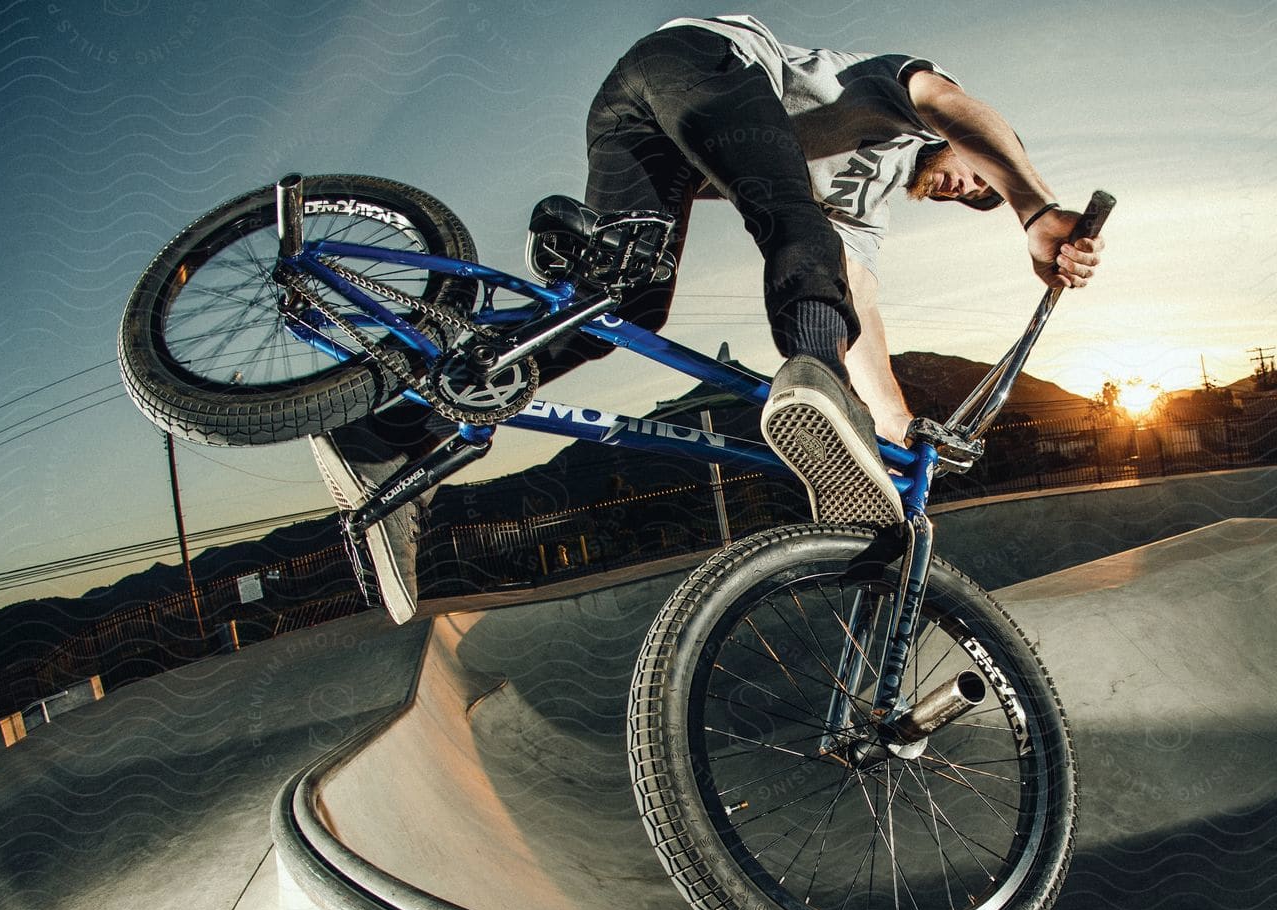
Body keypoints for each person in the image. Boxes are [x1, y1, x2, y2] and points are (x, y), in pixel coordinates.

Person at [312, 14, 1105, 623]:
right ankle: (811, 383)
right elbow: (958, 107)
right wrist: (1033, 208)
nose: (971, 190)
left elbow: (856, 298)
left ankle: (381, 434)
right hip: (700, 62)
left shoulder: (864, 210)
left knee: (619, 311)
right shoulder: (894, 97)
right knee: (792, 218)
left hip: (639, 132)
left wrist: (895, 430)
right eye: (979, 179)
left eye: (979, 202)